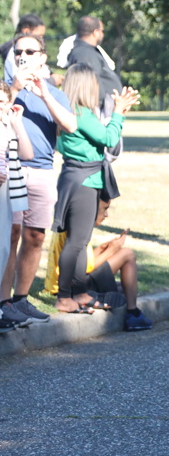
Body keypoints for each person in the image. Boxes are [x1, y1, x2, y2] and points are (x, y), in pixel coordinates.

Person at [1, 32, 79, 324]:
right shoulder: (6, 87)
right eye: (18, 51)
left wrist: (44, 93)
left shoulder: (54, 93)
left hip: (43, 170)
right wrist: (16, 88)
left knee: (35, 236)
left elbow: (70, 126)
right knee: (11, 234)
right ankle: (4, 302)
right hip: (11, 169)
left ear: (43, 57)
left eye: (29, 51)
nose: (22, 56)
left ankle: (21, 299)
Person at [50, 63, 139, 314]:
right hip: (84, 180)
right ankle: (65, 297)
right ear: (86, 85)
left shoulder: (71, 111)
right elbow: (109, 139)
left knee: (79, 242)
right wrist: (118, 113)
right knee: (76, 243)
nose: (98, 87)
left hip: (76, 178)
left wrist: (119, 113)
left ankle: (80, 293)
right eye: (95, 83)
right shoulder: (81, 113)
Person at [45, 199, 152, 331]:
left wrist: (103, 248)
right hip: (73, 285)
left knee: (124, 287)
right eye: (104, 209)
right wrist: (111, 250)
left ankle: (98, 294)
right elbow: (84, 268)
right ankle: (133, 314)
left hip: (62, 284)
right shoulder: (80, 230)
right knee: (127, 254)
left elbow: (82, 260)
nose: (106, 215)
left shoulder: (70, 224)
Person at [0, 83, 33, 331]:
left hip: (6, 195)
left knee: (3, 250)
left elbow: (28, 154)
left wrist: (17, 123)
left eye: (3, 101)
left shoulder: (8, 125)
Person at [66, 16, 123, 119]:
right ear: (95, 32)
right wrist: (98, 107)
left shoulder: (87, 51)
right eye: (102, 31)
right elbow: (89, 85)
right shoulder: (85, 54)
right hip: (97, 111)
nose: (103, 34)